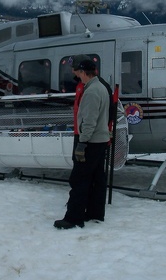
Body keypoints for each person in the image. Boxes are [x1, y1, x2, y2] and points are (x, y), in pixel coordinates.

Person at [54, 58, 110, 229]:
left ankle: (73, 217)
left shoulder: (92, 91)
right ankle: (95, 212)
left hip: (90, 141)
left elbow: (89, 121)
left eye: (78, 73)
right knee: (96, 177)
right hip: (100, 141)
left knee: (79, 178)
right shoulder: (101, 87)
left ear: (84, 72)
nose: (77, 76)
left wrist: (82, 143)